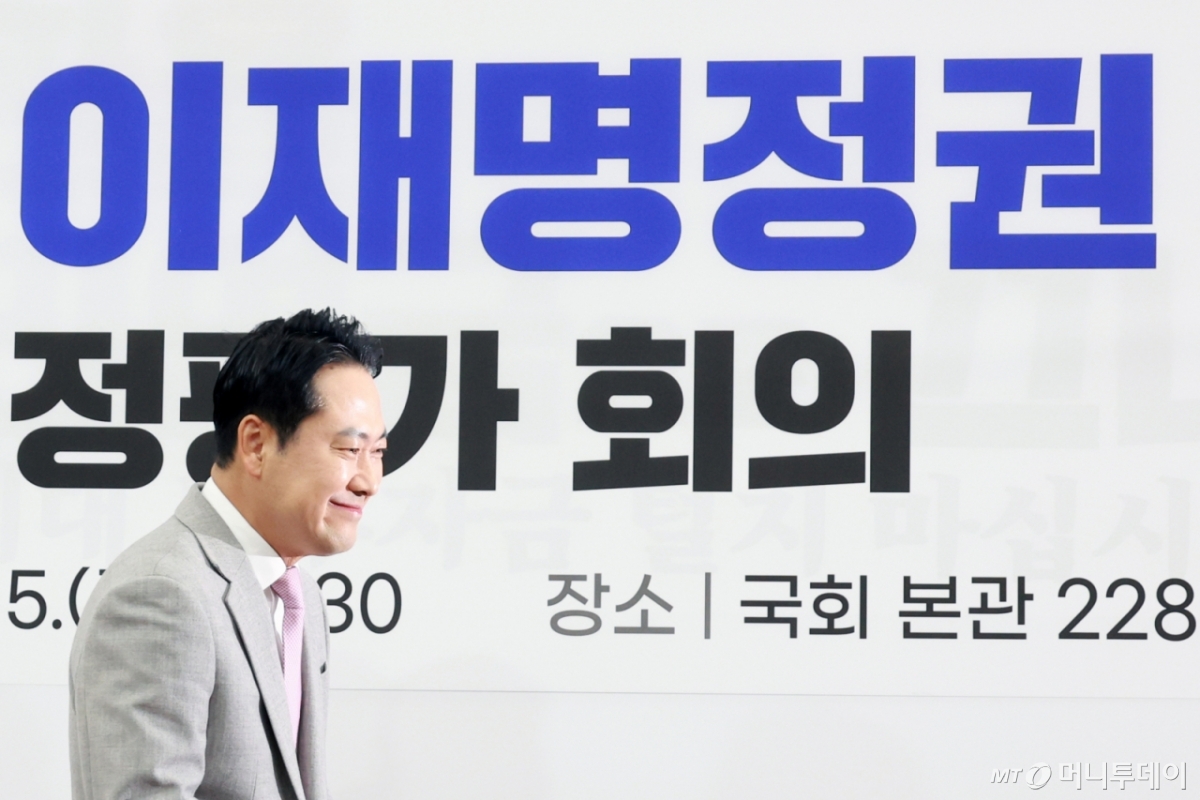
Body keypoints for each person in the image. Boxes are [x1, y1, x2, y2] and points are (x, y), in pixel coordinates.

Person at [68, 308, 388, 800]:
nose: (368, 481)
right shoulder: (162, 594)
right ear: (256, 444)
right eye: (348, 450)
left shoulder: (300, 596)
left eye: (378, 453)